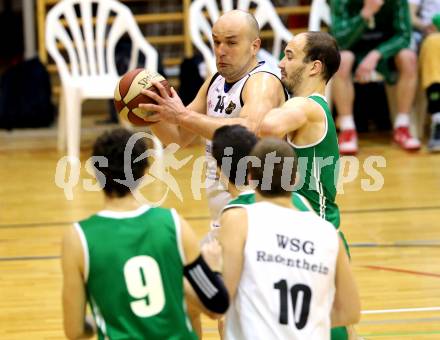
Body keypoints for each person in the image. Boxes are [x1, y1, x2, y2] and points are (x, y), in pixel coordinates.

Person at [61, 128, 229, 340]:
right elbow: (216, 305)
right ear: (144, 171)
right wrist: (214, 270)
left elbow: (74, 331)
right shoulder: (173, 224)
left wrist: (99, 319)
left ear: (95, 171)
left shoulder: (77, 238)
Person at [138, 10, 287, 227]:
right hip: (222, 194)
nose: (221, 51)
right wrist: (152, 113)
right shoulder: (215, 81)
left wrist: (182, 115)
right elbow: (178, 138)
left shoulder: (262, 82)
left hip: (255, 197)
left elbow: (249, 129)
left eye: (231, 43)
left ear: (254, 46)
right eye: (216, 42)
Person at [259, 32, 356, 340]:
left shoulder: (310, 107)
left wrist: (263, 92)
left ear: (314, 67)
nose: (280, 63)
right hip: (298, 237)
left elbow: (269, 126)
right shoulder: (301, 107)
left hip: (318, 237)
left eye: (289, 55)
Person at [218, 138, 361, 340]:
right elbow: (350, 313)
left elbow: (220, 305)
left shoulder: (239, 221)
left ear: (250, 178)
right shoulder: (328, 233)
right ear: (295, 179)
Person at [330, 0, 420, 154]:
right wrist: (366, 13)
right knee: (341, 60)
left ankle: (402, 127)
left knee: (408, 57)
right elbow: (339, 39)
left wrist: (377, 54)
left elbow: (404, 36)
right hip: (353, 48)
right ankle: (347, 129)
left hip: (385, 51)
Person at [409, 0, 440, 151]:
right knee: (434, 43)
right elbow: (410, 15)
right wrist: (427, 26)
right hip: (430, 34)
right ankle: (438, 119)